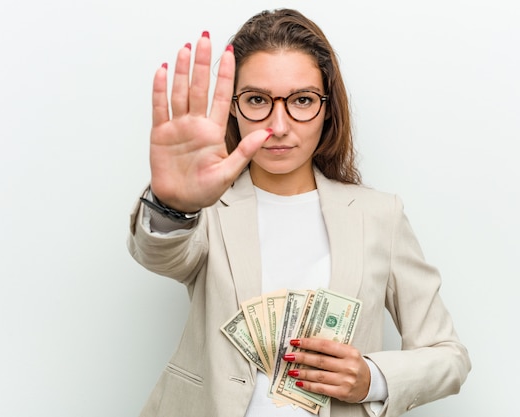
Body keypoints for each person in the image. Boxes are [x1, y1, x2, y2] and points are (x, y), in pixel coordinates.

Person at [127, 8, 471, 417]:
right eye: (257, 99)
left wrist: (372, 377)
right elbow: (159, 254)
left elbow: (449, 355)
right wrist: (175, 204)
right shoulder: (209, 213)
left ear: (327, 109)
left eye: (302, 101)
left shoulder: (379, 215)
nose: (279, 125)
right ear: (233, 108)